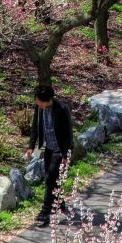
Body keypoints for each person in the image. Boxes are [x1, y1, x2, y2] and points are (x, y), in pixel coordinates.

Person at [29, 84, 73, 226]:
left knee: (49, 178)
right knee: (53, 179)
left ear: (44, 100)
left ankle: (45, 212)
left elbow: (68, 133)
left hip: (59, 150)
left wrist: (66, 155)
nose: (36, 102)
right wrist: (31, 146)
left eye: (37, 100)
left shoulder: (61, 109)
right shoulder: (39, 108)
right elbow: (35, 127)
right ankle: (60, 203)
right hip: (48, 148)